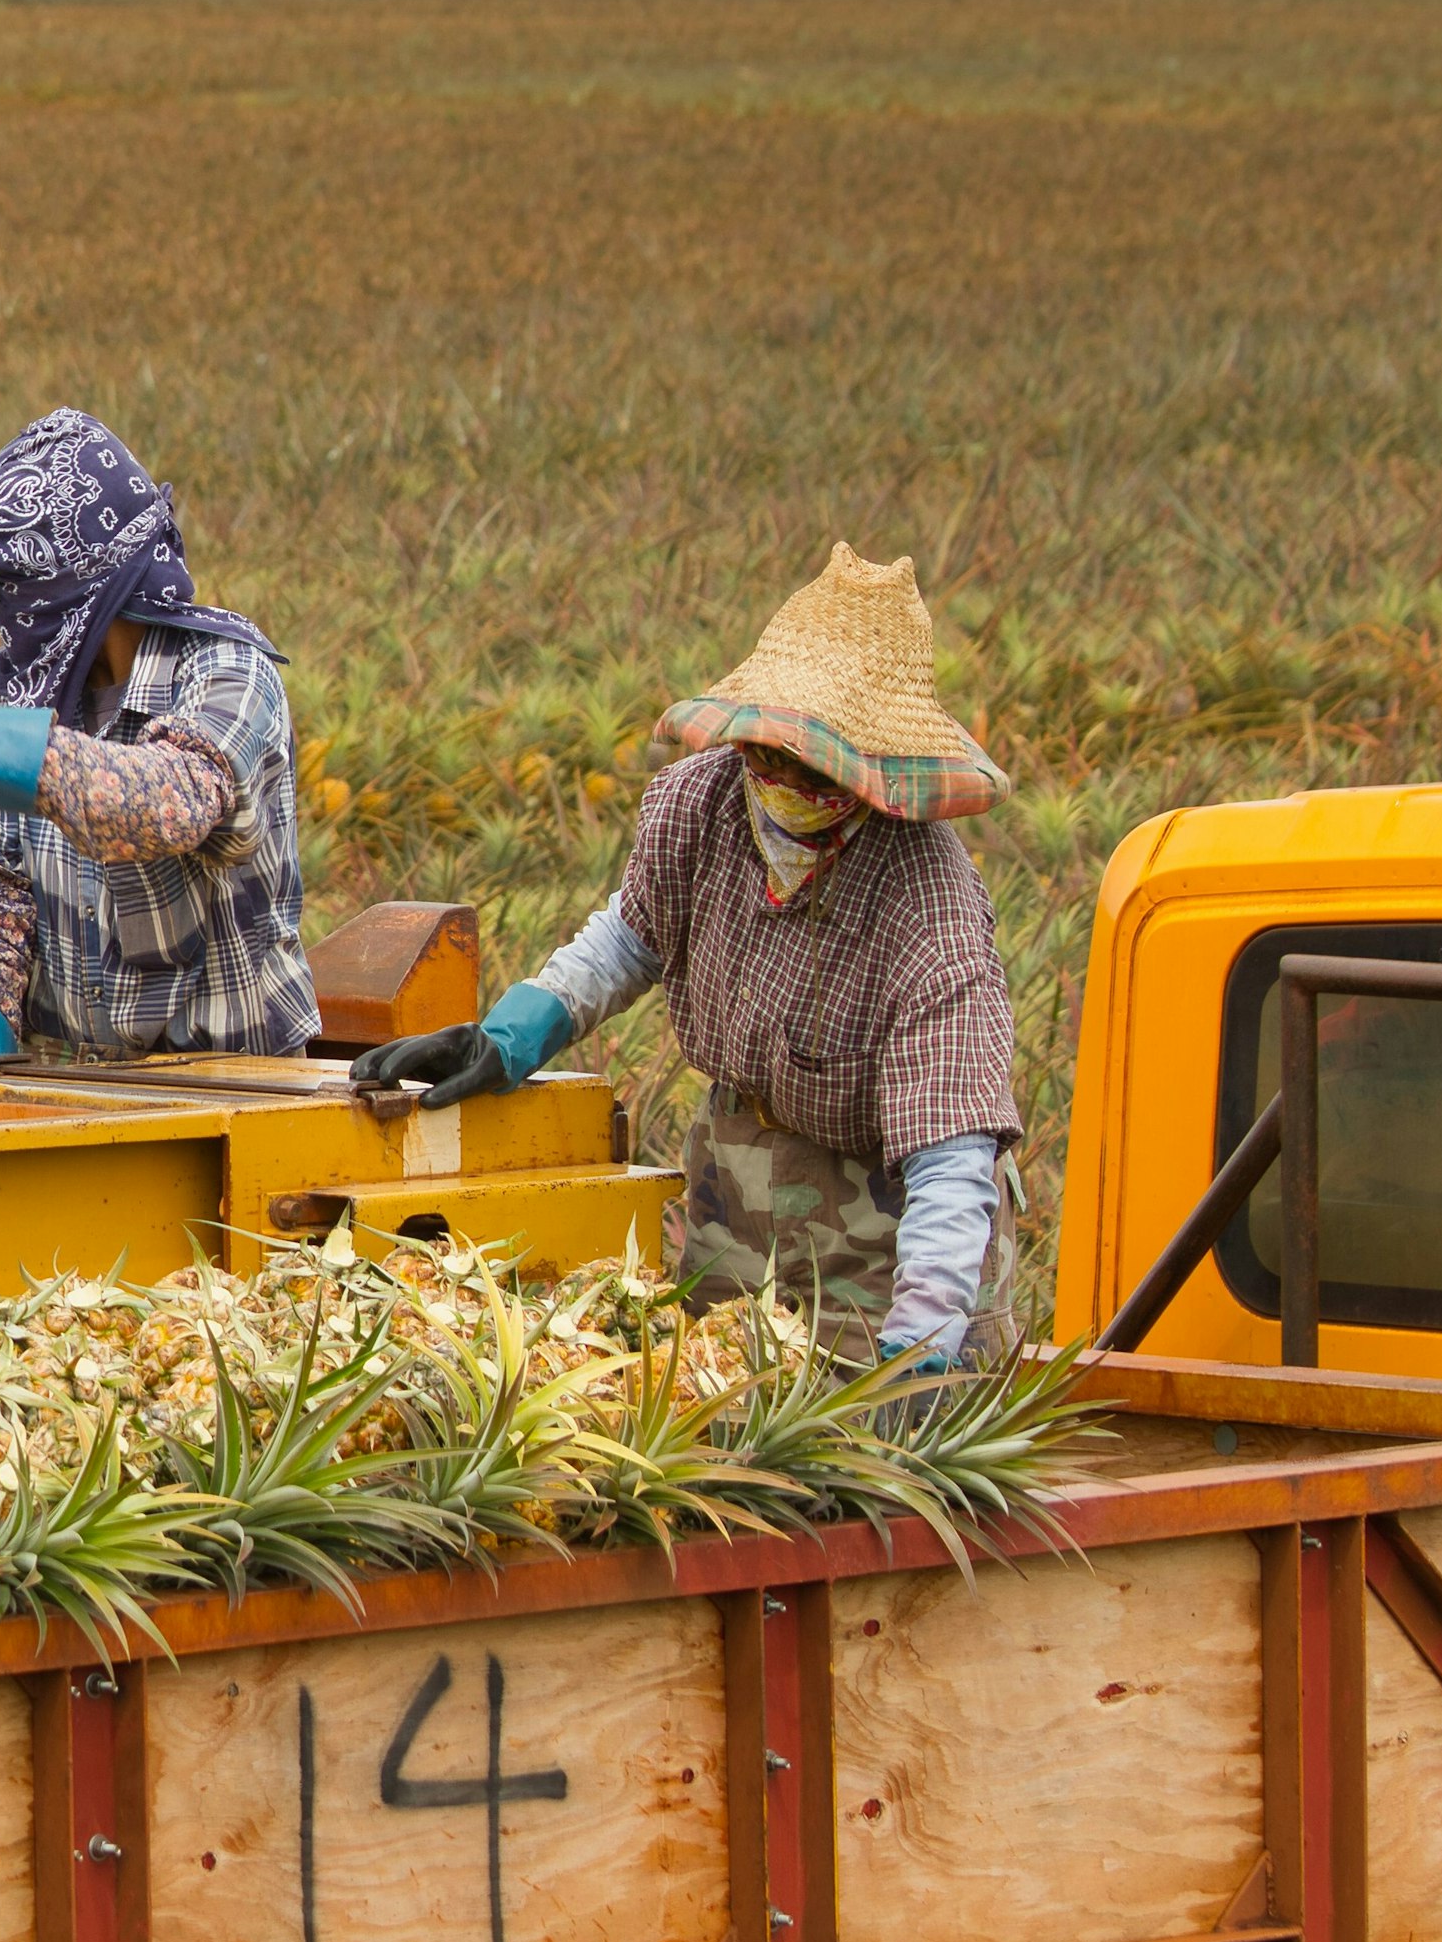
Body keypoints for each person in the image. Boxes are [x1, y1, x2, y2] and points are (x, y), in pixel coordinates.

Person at [352, 545, 1017, 1367]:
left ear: (869, 771)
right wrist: (509, 1035)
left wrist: (922, 1338)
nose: (774, 775)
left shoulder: (927, 902)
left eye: (806, 763)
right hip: (739, 1177)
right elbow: (631, 937)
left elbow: (951, 1160)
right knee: (718, 1409)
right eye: (764, 752)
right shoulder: (703, 802)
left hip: (886, 1219)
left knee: (870, 1454)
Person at [0, 408, 314, 1069]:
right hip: (72, 1086)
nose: (8, 600)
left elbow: (163, 802)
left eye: (21, 576)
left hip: (246, 1096)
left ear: (86, 571)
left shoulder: (229, 674)